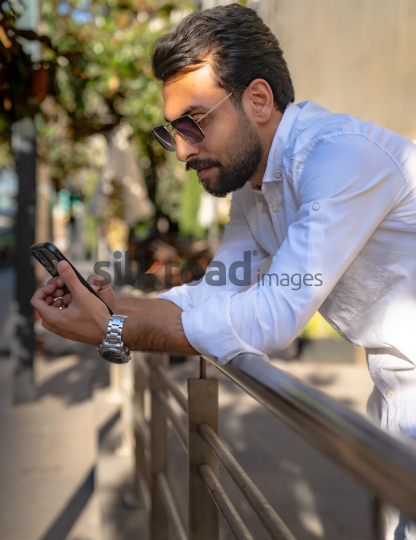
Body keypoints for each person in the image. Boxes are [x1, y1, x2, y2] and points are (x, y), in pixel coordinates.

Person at [31, 4, 416, 537]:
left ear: (258, 99)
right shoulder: (255, 185)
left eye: (195, 122)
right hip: (395, 396)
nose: (183, 149)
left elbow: (275, 315)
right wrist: (112, 306)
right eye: (173, 131)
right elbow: (217, 293)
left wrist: (116, 331)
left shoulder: (340, 158)